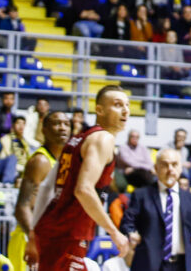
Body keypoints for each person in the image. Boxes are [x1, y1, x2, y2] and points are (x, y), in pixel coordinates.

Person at [29, 86, 132, 270]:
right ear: (99, 110)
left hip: (52, 229)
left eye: (127, 105)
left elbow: (46, 188)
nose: (125, 110)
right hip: (67, 232)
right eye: (117, 105)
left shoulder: (77, 139)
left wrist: (33, 232)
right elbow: (83, 189)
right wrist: (114, 232)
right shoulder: (103, 139)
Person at [119, 148, 191, 271]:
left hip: (182, 265)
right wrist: (132, 233)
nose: (170, 169)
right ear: (156, 168)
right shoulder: (141, 195)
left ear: (180, 168)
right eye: (165, 165)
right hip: (148, 263)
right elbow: (127, 222)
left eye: (174, 164)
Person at [9, 111, 71, 271]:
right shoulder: (40, 161)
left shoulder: (64, 163)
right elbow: (22, 207)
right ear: (43, 130)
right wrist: (34, 240)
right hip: (29, 239)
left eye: (66, 124)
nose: (63, 128)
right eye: (57, 123)